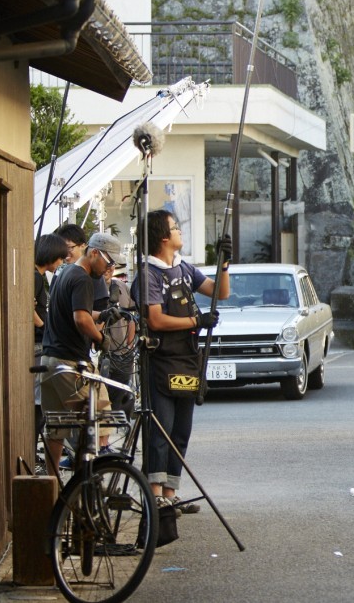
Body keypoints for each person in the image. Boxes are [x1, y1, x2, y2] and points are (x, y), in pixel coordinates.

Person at [133, 210, 231, 513]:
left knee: (181, 430)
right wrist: (195, 319)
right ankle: (155, 493)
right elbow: (155, 319)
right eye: (176, 228)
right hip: (160, 359)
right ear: (164, 236)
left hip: (187, 360)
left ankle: (172, 491)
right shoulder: (148, 274)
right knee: (160, 429)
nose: (180, 232)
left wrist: (223, 263)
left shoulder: (184, 269)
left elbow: (220, 292)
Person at [39, 232, 124, 475]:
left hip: (50, 360)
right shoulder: (83, 279)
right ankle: (89, 481)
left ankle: (51, 483)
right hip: (71, 362)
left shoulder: (64, 273)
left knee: (56, 427)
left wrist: (103, 315)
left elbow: (79, 312)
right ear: (94, 252)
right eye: (108, 262)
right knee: (99, 413)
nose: (110, 268)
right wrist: (101, 339)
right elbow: (81, 319)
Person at [34, 233, 70, 439]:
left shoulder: (39, 277)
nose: (60, 262)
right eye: (59, 258)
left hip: (41, 340)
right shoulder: (36, 277)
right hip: (39, 341)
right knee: (39, 399)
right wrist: (44, 328)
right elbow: (29, 308)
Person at [100, 258, 136, 420]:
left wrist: (128, 346)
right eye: (105, 264)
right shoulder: (89, 286)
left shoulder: (122, 287)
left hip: (122, 354)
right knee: (100, 401)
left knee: (118, 399)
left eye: (111, 265)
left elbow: (131, 319)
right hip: (99, 354)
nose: (108, 268)